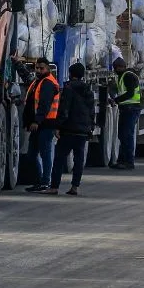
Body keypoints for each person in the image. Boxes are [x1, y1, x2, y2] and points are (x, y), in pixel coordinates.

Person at [46, 62, 97, 196]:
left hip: (69, 129)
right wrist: (90, 127)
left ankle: (54, 187)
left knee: (59, 158)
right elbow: (92, 111)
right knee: (79, 159)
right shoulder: (88, 90)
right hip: (82, 131)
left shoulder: (68, 89)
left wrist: (58, 126)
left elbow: (64, 110)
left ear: (70, 73)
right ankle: (75, 187)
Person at [23, 57, 60, 192]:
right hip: (39, 125)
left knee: (45, 153)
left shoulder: (48, 84)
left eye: (41, 68)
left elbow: (44, 105)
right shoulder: (38, 81)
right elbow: (26, 77)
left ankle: (45, 181)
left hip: (46, 124)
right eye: (36, 68)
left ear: (48, 68)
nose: (38, 70)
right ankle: (39, 181)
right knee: (32, 154)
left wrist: (36, 121)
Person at [110, 57, 141, 170]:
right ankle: (122, 160)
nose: (115, 70)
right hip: (126, 109)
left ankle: (128, 161)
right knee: (122, 135)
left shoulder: (128, 76)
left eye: (116, 68)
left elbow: (130, 93)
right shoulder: (122, 77)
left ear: (121, 67)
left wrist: (116, 100)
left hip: (131, 109)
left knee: (127, 135)